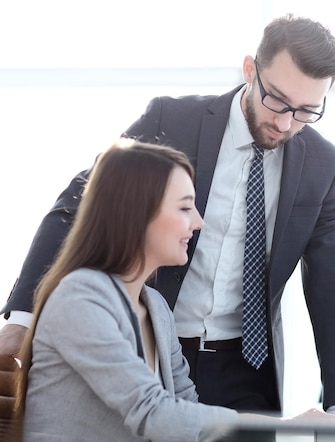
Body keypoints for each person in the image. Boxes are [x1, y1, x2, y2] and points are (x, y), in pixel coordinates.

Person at [0, 14, 335, 421]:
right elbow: (83, 200)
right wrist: (24, 317)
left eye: (305, 111)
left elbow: (331, 279)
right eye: (276, 100)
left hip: (249, 366)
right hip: (154, 349)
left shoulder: (323, 163)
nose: (284, 122)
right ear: (249, 70)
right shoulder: (172, 121)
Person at [12, 140, 239, 440]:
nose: (198, 222)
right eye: (185, 207)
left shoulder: (156, 307)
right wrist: (283, 426)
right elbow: (152, 411)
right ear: (136, 213)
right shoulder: (80, 299)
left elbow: (184, 407)